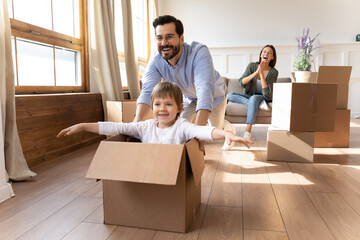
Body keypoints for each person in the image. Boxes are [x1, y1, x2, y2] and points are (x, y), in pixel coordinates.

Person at [133, 15, 233, 151]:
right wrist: (136, 124)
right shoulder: (156, 60)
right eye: (159, 38)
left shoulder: (199, 52)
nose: (164, 43)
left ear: (181, 39)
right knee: (176, 129)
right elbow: (147, 91)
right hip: (189, 97)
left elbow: (205, 91)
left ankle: (227, 126)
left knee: (214, 130)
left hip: (215, 96)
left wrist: (198, 135)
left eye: (169, 37)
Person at [58, 82, 254, 149]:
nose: (162, 109)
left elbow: (201, 131)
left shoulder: (182, 125)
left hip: (174, 175)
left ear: (179, 107)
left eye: (168, 104)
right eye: (158, 104)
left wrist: (224, 135)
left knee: (213, 128)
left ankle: (227, 127)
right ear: (152, 106)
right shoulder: (145, 127)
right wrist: (83, 125)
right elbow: (116, 127)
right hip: (149, 171)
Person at [227, 45, 278, 141]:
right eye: (264, 51)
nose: (266, 53)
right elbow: (241, 82)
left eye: (269, 53)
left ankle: (248, 131)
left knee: (254, 98)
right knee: (229, 95)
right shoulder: (252, 66)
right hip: (248, 95)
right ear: (260, 54)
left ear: (272, 57)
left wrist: (262, 74)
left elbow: (267, 94)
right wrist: (256, 72)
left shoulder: (273, 72)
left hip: (262, 97)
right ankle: (258, 105)